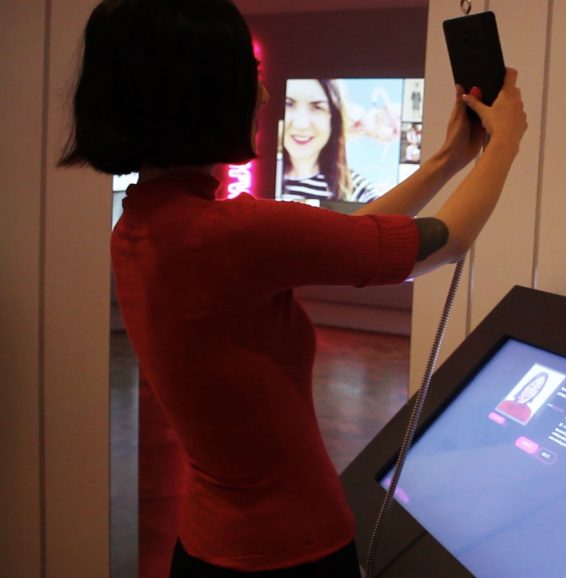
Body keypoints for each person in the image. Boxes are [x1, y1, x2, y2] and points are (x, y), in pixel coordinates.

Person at [59, 0, 527, 576]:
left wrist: (449, 160)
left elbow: (348, 237)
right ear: (201, 93)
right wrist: (507, 138)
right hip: (288, 551)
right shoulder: (228, 235)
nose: (261, 97)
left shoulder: (144, 228)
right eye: (247, 77)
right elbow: (448, 241)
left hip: (208, 544)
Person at [281, 79, 380, 203]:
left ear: (334, 120)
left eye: (317, 107)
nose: (302, 124)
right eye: (289, 104)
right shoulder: (253, 178)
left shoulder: (359, 191)